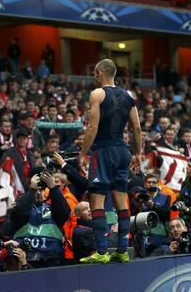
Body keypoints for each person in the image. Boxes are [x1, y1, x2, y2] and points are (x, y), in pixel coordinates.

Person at [78, 59, 142, 264]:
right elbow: (137, 128)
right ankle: (123, 250)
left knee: (97, 200)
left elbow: (93, 127)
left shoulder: (97, 94)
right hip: (123, 151)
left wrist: (82, 153)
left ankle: (102, 251)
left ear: (98, 73)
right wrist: (138, 153)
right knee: (121, 201)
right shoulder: (128, 96)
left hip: (104, 150)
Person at [10, 169, 70, 268]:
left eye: (41, 190)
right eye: (36, 190)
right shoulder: (21, 207)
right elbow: (19, 214)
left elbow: (64, 212)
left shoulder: (54, 208)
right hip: (27, 259)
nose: (38, 193)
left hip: (53, 260)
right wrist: (31, 190)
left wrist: (53, 188)